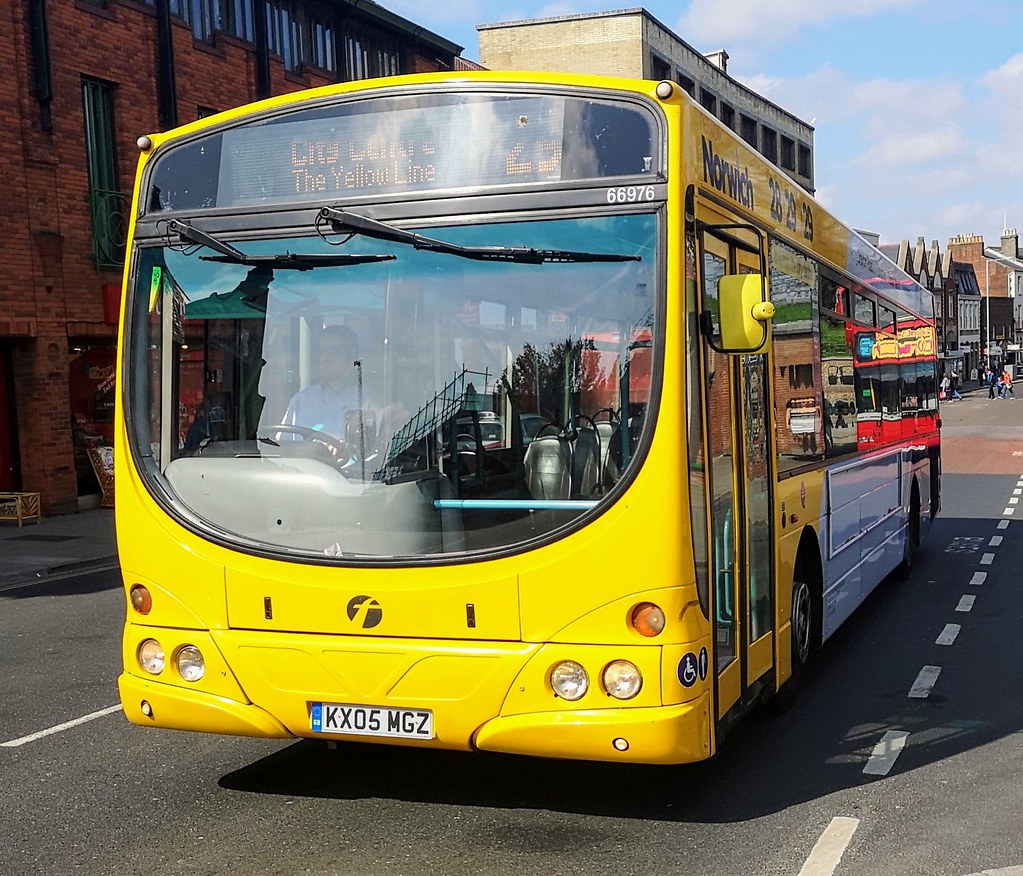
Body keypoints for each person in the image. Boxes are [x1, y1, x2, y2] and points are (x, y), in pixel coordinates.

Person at [279, 325, 372, 451]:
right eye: (321, 351)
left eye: (333, 351)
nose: (325, 357)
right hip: (307, 469)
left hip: (352, 470)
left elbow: (375, 452)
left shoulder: (369, 400)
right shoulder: (301, 401)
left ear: (352, 357)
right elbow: (283, 448)